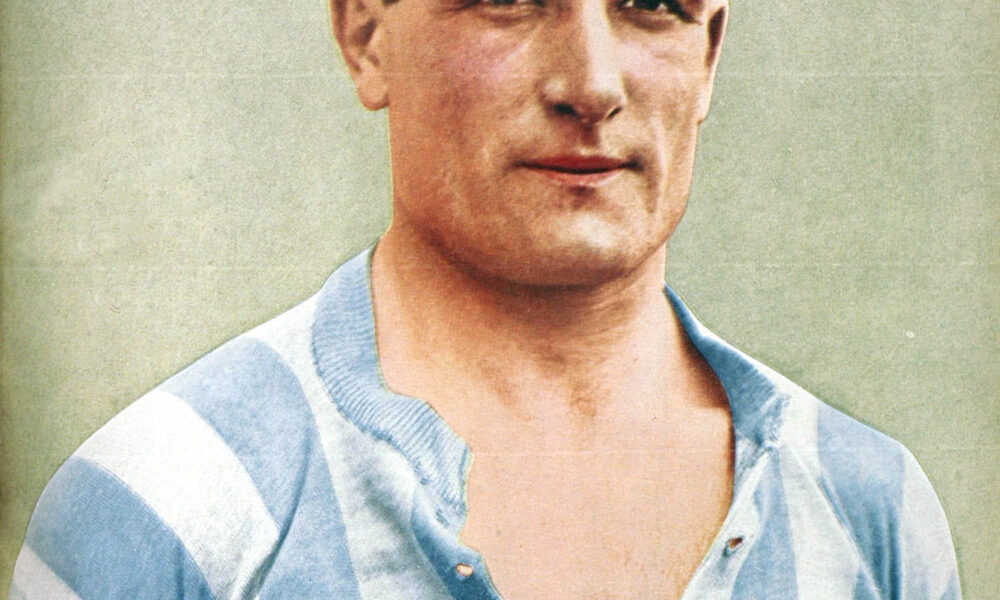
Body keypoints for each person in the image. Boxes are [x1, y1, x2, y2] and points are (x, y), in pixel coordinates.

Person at [8, 0, 961, 598]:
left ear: (709, 53)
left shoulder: (868, 511)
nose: (592, 84)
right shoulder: (164, 508)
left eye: (650, 5)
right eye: (510, 0)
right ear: (365, 33)